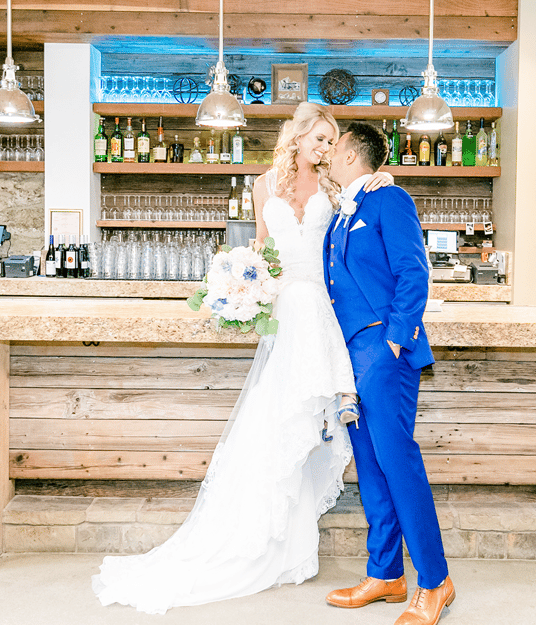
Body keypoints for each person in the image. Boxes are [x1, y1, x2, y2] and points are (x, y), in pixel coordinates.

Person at [92, 103, 391, 614]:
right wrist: (244, 285)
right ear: (296, 138)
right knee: (278, 428)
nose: (324, 148)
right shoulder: (263, 185)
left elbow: (353, 232)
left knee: (310, 431)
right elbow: (265, 253)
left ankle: (294, 546)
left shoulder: (339, 188)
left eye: (331, 141)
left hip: (324, 310)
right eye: (318, 138)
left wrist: (382, 176)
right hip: (287, 318)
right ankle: (259, 540)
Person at [324, 123, 455, 625]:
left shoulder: (389, 199)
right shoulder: (344, 210)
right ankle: (385, 574)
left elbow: (413, 271)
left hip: (383, 353)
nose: (329, 154)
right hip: (346, 358)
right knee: (371, 467)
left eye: (335, 147)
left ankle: (435, 580)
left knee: (399, 465)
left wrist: (394, 342)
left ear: (354, 153)